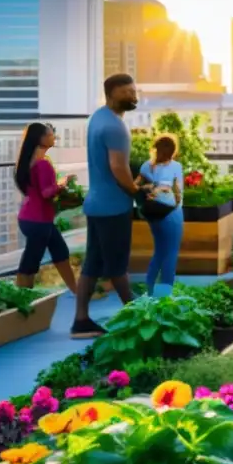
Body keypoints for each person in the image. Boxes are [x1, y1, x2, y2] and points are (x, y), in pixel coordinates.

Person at [73, 73, 141, 339]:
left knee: (93, 264)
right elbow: (117, 167)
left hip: (96, 203)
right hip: (113, 206)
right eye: (127, 92)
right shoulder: (115, 127)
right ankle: (138, 316)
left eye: (134, 91)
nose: (133, 96)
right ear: (111, 94)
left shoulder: (98, 118)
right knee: (117, 266)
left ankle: (81, 321)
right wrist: (135, 191)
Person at [13, 122, 79, 294]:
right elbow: (46, 193)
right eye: (50, 134)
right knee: (30, 262)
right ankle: (21, 299)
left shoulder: (29, 160)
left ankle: (75, 290)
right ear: (40, 138)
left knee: (60, 251)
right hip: (38, 221)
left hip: (33, 218)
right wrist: (63, 184)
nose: (53, 137)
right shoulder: (42, 163)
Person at [136, 133, 184, 292]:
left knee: (159, 251)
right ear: (173, 151)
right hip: (172, 213)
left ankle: (149, 289)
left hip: (153, 213)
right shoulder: (175, 167)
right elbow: (177, 191)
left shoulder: (146, 166)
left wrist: (148, 189)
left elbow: (134, 187)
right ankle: (165, 294)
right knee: (171, 253)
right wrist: (176, 203)